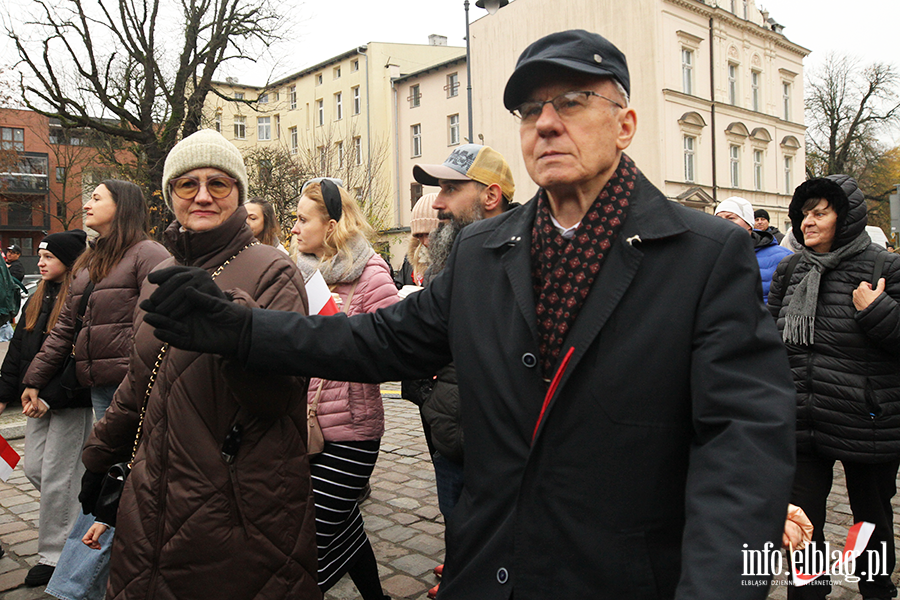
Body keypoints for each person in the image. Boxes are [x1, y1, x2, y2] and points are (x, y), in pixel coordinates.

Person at [140, 30, 796, 599]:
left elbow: (742, 444)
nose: (545, 122)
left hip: (619, 577)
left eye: (572, 101)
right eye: (530, 108)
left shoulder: (704, 254)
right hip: (490, 573)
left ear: (625, 124)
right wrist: (240, 328)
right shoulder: (487, 250)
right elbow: (376, 340)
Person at [78, 129, 318, 599]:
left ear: (238, 193)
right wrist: (99, 456)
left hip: (237, 501)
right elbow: (138, 383)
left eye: (218, 184)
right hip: (151, 494)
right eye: (187, 184)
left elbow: (279, 395)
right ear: (170, 196)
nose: (202, 195)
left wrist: (235, 321)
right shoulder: (158, 276)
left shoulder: (272, 268)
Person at [21, 180, 168, 600]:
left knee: (120, 481)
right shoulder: (90, 259)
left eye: (97, 197)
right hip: (99, 387)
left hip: (132, 389)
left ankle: (81, 584)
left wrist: (136, 386)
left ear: (121, 206)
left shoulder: (148, 254)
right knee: (109, 480)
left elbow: (151, 329)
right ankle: (93, 578)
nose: (86, 203)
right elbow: (66, 328)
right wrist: (34, 378)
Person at [768, 175, 900, 600]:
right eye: (805, 213)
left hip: (869, 421)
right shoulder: (791, 268)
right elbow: (769, 337)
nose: (808, 221)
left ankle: (876, 590)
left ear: (844, 219)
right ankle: (807, 594)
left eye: (820, 212)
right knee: (803, 522)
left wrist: (878, 311)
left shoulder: (886, 267)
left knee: (870, 520)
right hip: (802, 420)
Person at [290, 177, 398, 599]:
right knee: (346, 525)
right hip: (307, 427)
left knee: (308, 540)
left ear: (331, 225)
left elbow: (394, 351)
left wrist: (343, 334)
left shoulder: (371, 274)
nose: (294, 228)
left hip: (352, 434)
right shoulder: (297, 274)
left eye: (302, 220)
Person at [0, 230, 89, 587]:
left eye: (48, 257)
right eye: (40, 255)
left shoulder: (81, 299)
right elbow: (20, 349)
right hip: (34, 399)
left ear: (68, 262)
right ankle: (88, 514)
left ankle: (55, 555)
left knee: (58, 477)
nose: (40, 262)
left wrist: (48, 396)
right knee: (37, 469)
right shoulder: (36, 297)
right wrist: (6, 391)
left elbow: (77, 358)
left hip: (68, 402)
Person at [716, 196, 792, 303]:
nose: (723, 223)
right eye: (718, 218)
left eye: (731, 218)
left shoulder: (784, 258)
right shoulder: (707, 256)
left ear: (749, 224)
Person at [394, 193, 439, 289]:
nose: (425, 242)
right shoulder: (411, 260)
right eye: (420, 236)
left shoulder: (457, 261)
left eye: (430, 234)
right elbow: (399, 285)